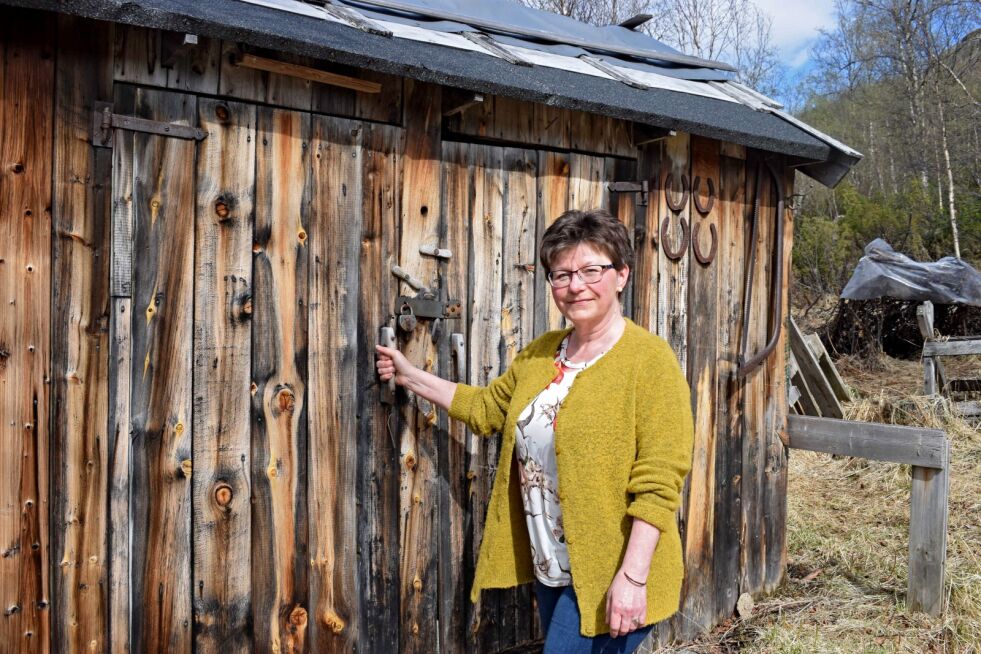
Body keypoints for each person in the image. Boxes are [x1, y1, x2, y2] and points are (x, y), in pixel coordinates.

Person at [376, 209, 694, 653]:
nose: (575, 285)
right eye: (561, 274)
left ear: (621, 275)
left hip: (611, 570)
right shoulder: (543, 354)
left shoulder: (650, 362)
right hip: (553, 565)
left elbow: (659, 484)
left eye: (590, 270)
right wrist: (411, 376)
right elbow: (487, 408)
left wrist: (633, 578)